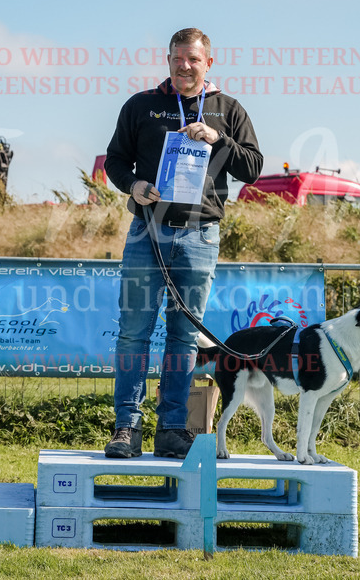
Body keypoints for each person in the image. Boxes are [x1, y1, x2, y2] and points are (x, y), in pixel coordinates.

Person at [103, 28, 263, 459]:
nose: (184, 66)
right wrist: (133, 185)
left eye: (193, 59)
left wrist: (218, 139)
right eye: (177, 58)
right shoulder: (141, 105)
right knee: (133, 333)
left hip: (200, 235)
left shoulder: (228, 109)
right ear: (168, 60)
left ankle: (173, 429)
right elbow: (115, 160)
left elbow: (252, 168)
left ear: (209, 62)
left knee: (184, 337)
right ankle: (126, 428)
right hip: (147, 233)